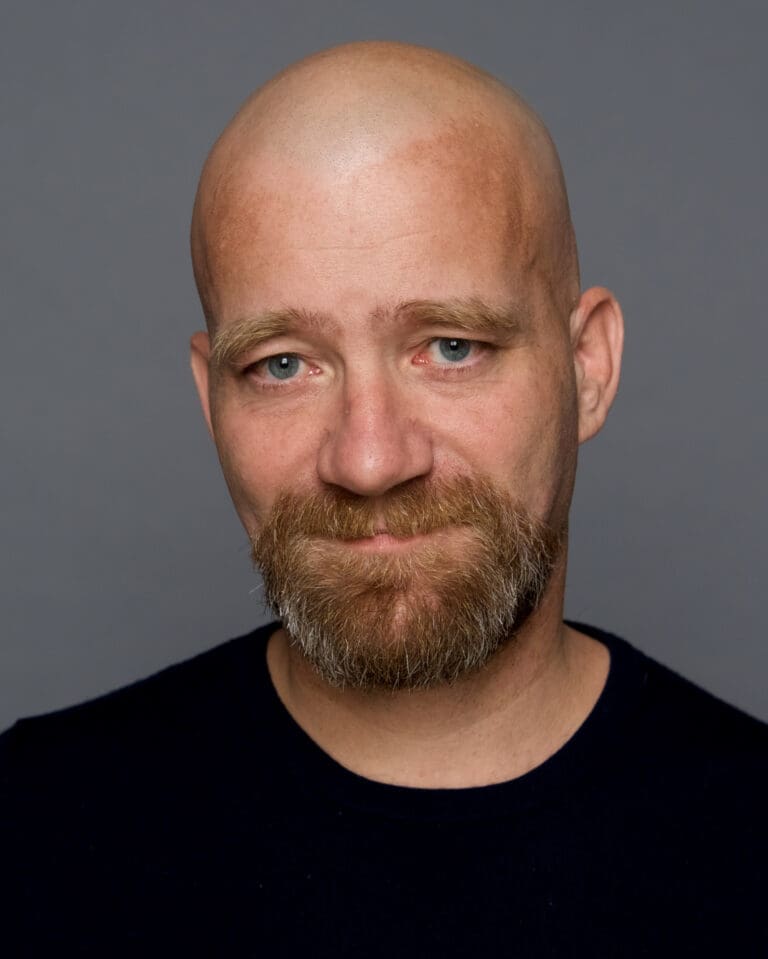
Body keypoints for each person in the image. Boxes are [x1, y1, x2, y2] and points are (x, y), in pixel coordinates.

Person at [2, 41, 766, 956]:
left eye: (451, 347)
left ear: (587, 367)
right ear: (211, 403)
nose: (368, 460)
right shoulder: (30, 828)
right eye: (283, 365)